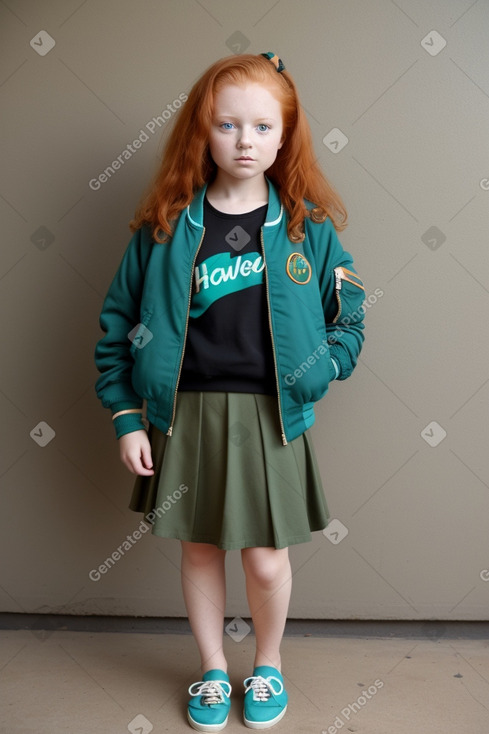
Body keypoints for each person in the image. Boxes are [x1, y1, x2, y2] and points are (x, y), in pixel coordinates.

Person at [94, 51, 365, 732]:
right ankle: (214, 671)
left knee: (267, 563)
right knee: (198, 551)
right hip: (184, 415)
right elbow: (116, 326)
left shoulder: (308, 226)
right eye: (227, 125)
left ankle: (266, 664)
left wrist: (322, 368)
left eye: (262, 127)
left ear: (285, 134)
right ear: (200, 131)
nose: (245, 141)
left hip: (272, 418)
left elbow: (351, 320)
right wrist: (128, 418)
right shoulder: (164, 226)